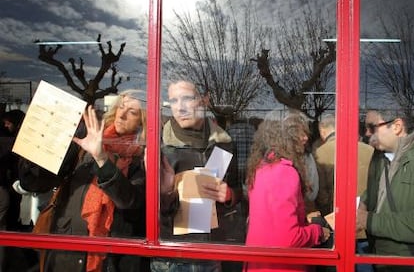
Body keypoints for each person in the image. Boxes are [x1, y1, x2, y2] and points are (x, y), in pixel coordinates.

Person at [18, 89, 149, 272]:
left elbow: (130, 201)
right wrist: (39, 140)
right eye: (120, 106)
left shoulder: (142, 155)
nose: (122, 114)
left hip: (112, 257)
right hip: (67, 249)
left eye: (132, 112)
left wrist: (101, 159)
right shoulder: (88, 139)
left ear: (143, 121)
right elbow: (36, 183)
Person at [152, 80, 242, 272]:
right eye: (173, 101)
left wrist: (229, 196)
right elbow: (143, 209)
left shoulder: (225, 143)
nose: (180, 108)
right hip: (172, 256)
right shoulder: (160, 146)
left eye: (187, 99)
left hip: (213, 253)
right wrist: (166, 194)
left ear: (204, 101)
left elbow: (238, 191)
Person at [244, 111, 331, 272]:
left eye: (305, 132)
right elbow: (288, 238)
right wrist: (317, 232)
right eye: (297, 131)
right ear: (282, 135)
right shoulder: (285, 172)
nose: (305, 138)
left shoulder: (262, 167)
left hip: (259, 263)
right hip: (281, 266)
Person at [357, 109, 414, 272]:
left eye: (372, 127)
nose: (367, 133)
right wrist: (364, 202)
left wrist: (369, 221)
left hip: (405, 261)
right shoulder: (379, 157)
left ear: (397, 126)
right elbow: (377, 188)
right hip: (380, 256)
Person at [314, 114, 374, 217]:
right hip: (368, 213)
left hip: (337, 213)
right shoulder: (369, 150)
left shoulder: (320, 153)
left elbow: (322, 194)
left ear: (323, 131)